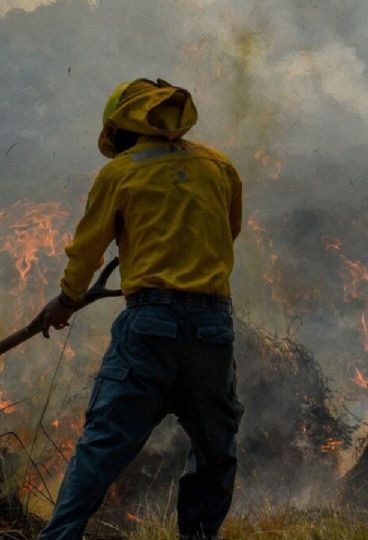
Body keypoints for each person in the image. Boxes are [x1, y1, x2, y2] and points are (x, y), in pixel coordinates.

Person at [36, 78, 245, 540]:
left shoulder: (122, 172)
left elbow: (87, 250)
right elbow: (227, 231)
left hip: (150, 325)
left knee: (103, 444)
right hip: (213, 329)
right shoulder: (219, 166)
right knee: (216, 449)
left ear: (122, 127)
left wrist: (67, 301)